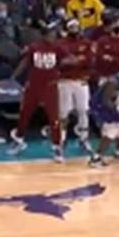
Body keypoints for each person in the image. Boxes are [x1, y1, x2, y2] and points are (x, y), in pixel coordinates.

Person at [9, 26, 70, 162]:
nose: (52, 37)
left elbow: (69, 59)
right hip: (34, 86)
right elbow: (25, 62)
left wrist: (63, 66)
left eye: (54, 34)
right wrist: (14, 76)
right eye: (50, 34)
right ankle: (19, 139)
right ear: (44, 35)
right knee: (25, 114)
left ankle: (57, 147)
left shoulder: (58, 48)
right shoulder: (34, 47)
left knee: (54, 117)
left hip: (50, 87)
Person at [58, 19, 93, 150]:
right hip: (64, 81)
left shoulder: (86, 43)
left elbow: (89, 60)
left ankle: (84, 138)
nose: (75, 29)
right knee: (63, 112)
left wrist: (74, 61)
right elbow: (60, 62)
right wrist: (74, 61)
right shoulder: (61, 44)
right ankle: (61, 138)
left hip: (80, 80)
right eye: (72, 27)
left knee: (83, 110)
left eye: (76, 26)